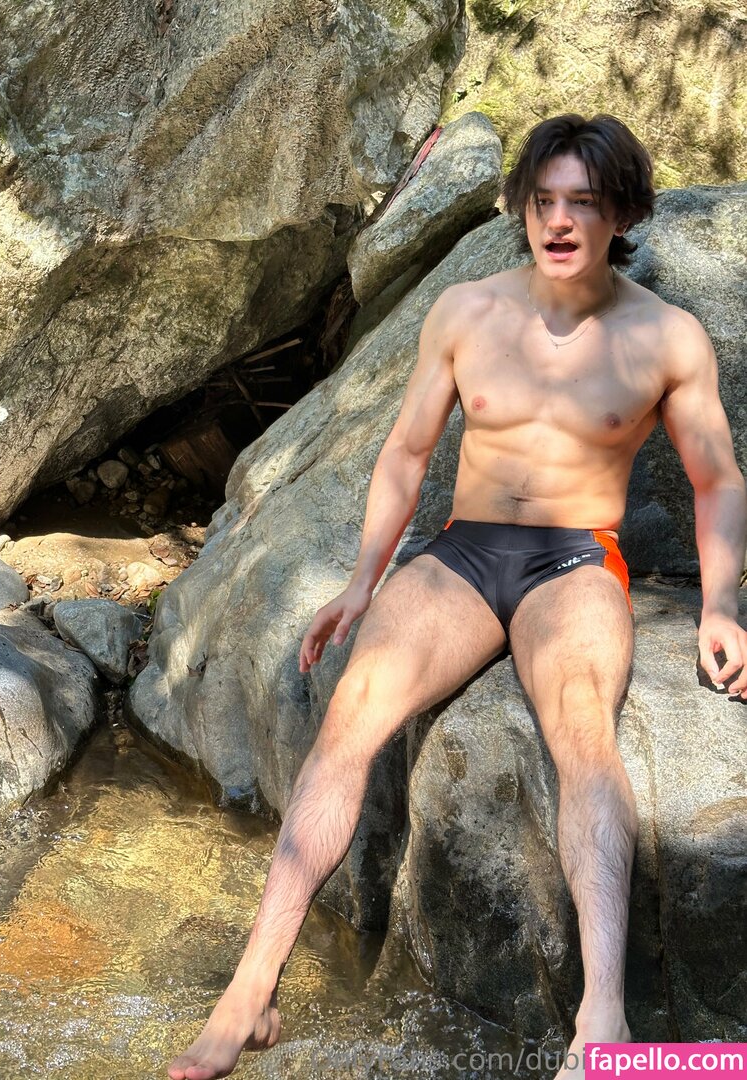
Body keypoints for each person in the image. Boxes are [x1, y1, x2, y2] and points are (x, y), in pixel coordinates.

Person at [168, 113, 747, 1080]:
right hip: (464, 553)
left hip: (576, 560)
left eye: (583, 203)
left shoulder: (666, 337)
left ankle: (603, 1017)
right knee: (354, 710)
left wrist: (721, 603)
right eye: (543, 200)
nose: (558, 221)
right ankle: (253, 985)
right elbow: (405, 453)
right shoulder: (466, 312)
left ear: (621, 214)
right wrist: (362, 581)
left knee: (581, 725)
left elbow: (718, 479)